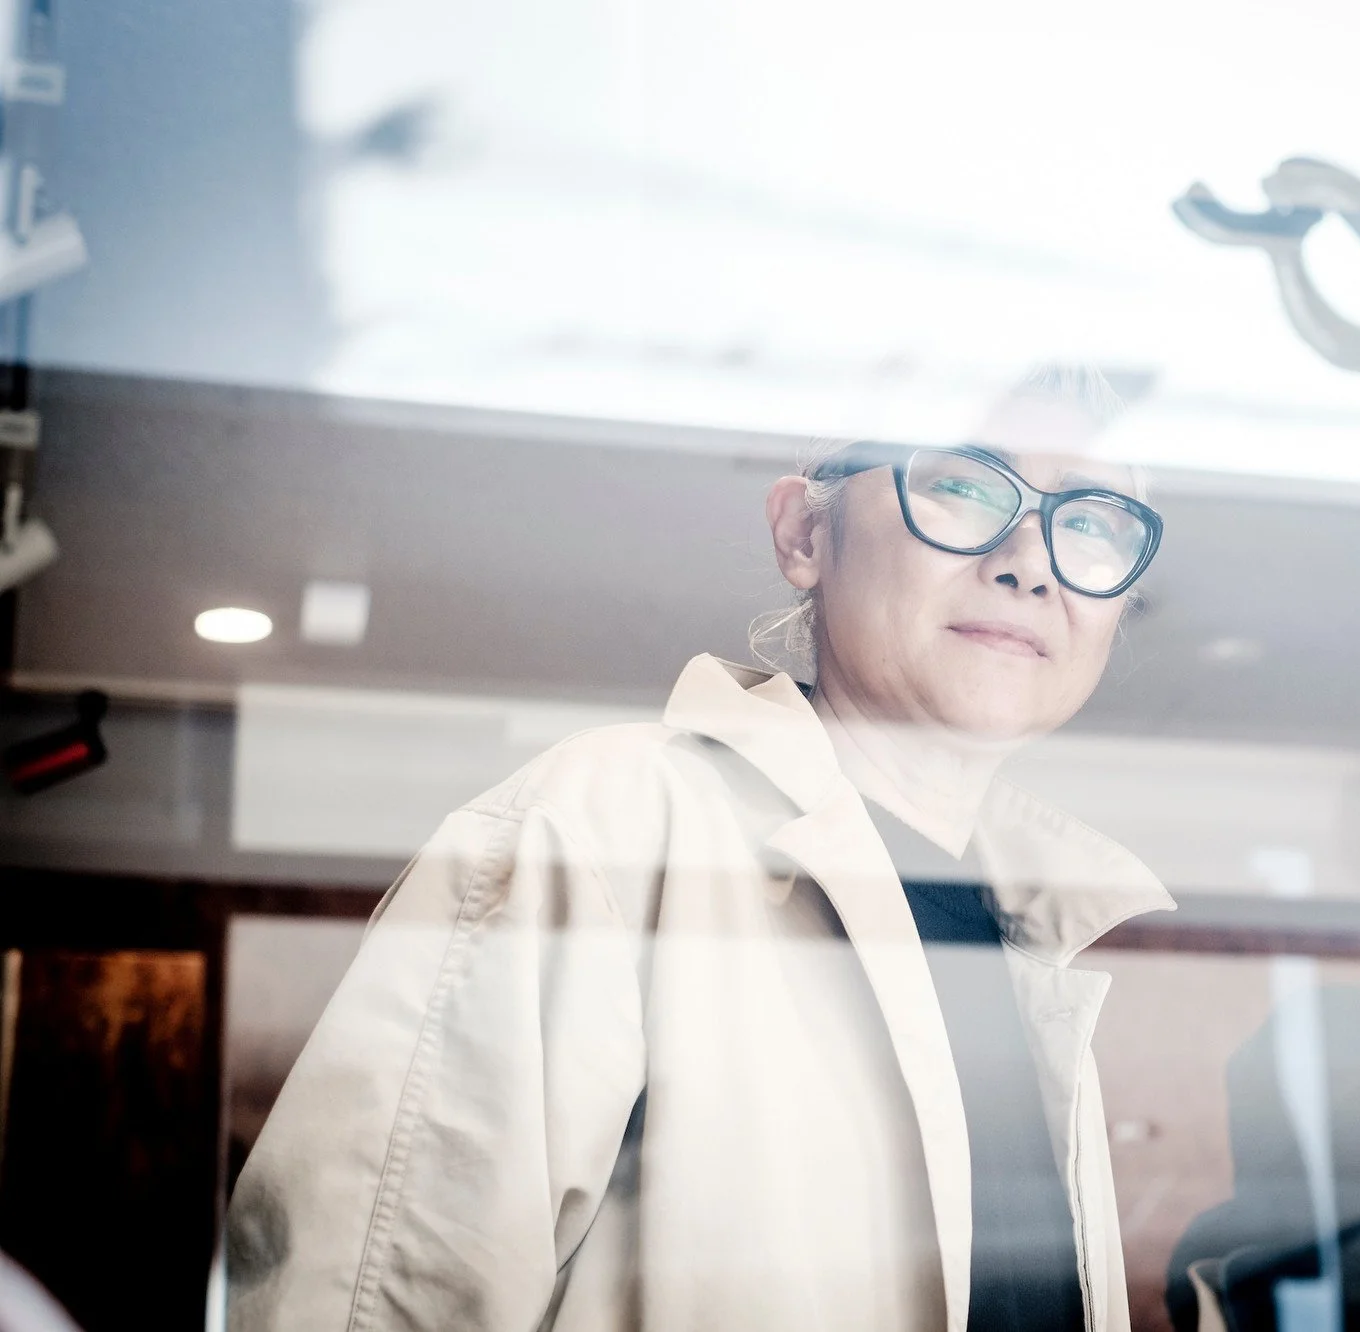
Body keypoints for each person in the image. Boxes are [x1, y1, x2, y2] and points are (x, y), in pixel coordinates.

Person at [224, 370, 1172, 1332]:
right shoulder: (606, 826)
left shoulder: (1032, 941)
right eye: (964, 486)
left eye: (1093, 523)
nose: (1032, 561)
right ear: (807, 534)